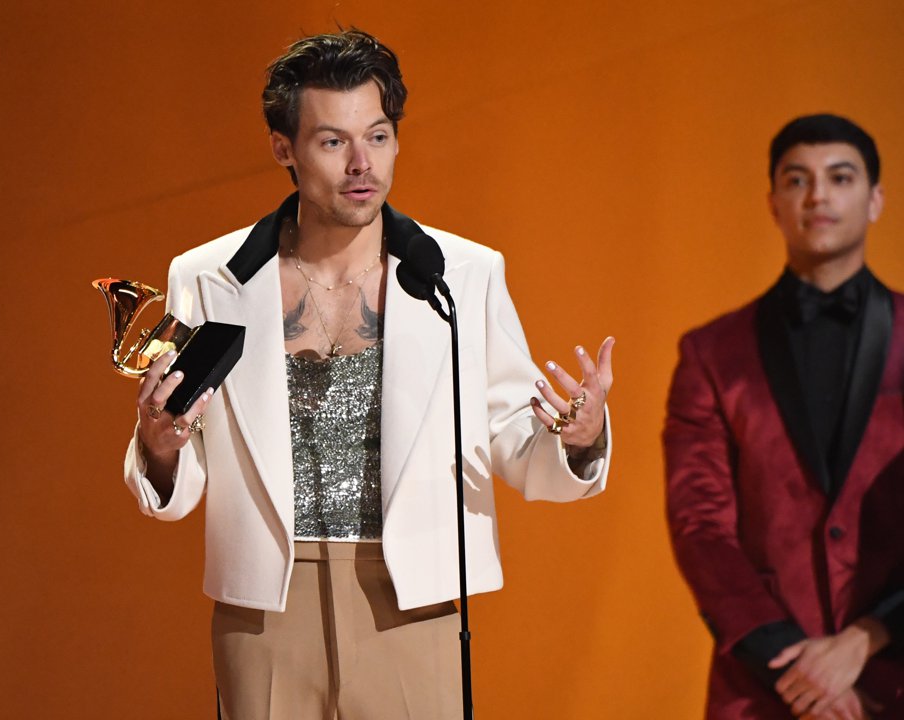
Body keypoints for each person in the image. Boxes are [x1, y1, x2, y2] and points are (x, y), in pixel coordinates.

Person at [123, 29, 614, 720]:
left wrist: (579, 439)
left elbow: (510, 436)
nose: (362, 164)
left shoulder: (461, 275)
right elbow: (184, 460)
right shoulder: (208, 279)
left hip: (412, 605)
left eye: (378, 137)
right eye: (333, 142)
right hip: (264, 612)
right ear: (283, 148)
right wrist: (159, 446)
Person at [664, 113, 904, 719]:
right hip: (763, 688)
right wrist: (798, 671)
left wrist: (869, 637)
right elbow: (699, 526)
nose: (818, 195)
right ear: (773, 203)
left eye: (840, 177)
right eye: (798, 180)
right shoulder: (710, 355)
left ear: (876, 199)